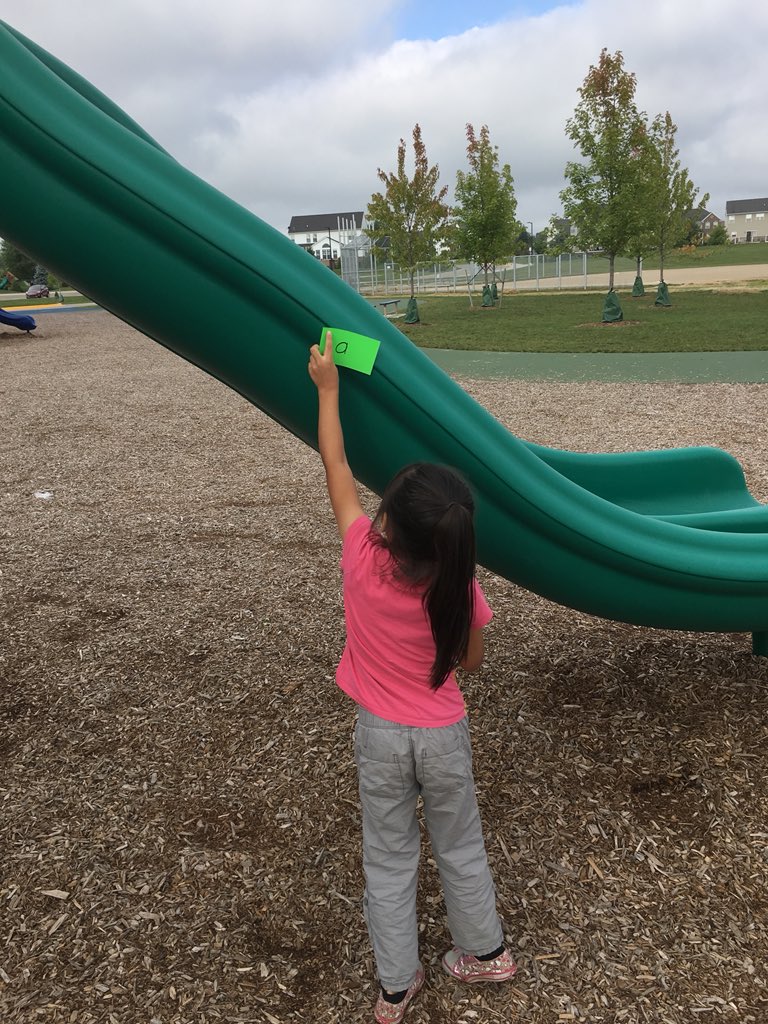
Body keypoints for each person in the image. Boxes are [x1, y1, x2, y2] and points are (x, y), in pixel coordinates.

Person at [308, 331, 516, 1023]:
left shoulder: (359, 557)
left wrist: (329, 388)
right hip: (443, 733)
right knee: (461, 843)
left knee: (389, 856)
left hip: (380, 738)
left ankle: (396, 987)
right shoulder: (459, 588)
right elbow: (472, 663)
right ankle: (485, 955)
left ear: (387, 525)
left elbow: (334, 463)